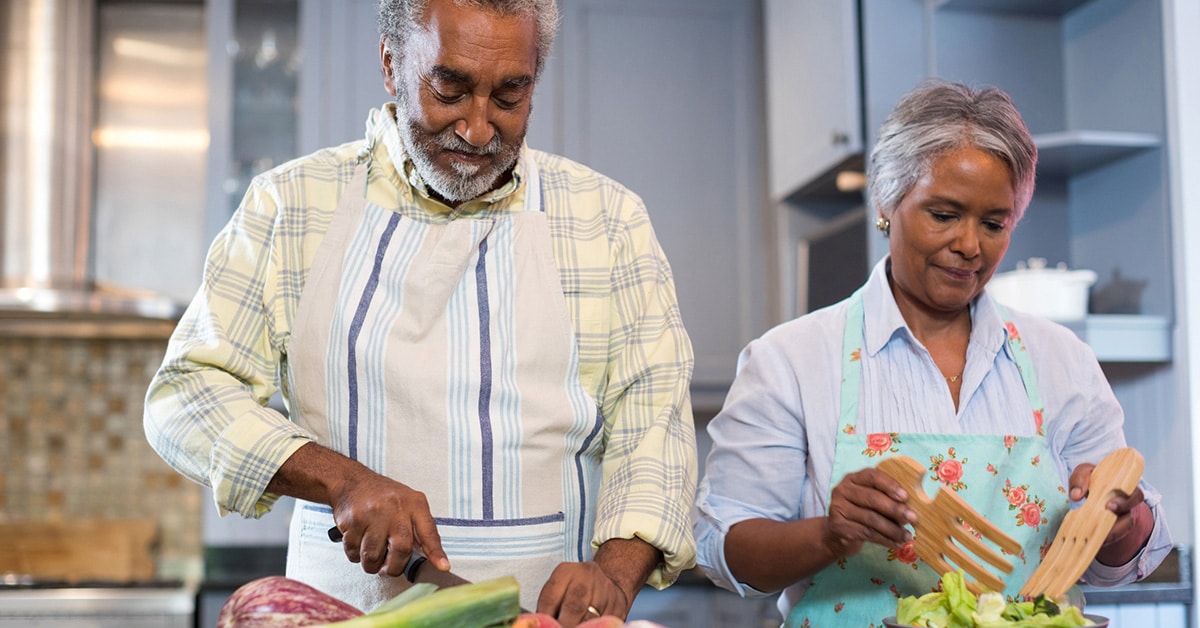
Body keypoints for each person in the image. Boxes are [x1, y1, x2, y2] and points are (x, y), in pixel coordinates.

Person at [144, 0, 698, 623]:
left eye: (510, 96)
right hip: (344, 608)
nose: (479, 129)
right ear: (391, 64)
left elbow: (655, 425)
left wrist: (615, 576)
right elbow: (186, 397)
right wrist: (340, 480)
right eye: (450, 89)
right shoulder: (290, 203)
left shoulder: (608, 220)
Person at [692, 79, 1172, 626]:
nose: (970, 245)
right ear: (887, 202)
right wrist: (829, 534)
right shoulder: (790, 361)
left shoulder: (1061, 360)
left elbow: (1116, 560)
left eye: (995, 223)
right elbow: (722, 548)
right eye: (943, 214)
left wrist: (1118, 522)